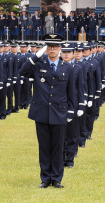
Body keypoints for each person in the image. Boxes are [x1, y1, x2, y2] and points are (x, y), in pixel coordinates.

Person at [19, 34, 75, 188]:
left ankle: (56, 178)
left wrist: (71, 112)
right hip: (41, 111)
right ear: (46, 48)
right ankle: (45, 178)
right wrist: (36, 55)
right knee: (44, 146)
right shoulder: (38, 64)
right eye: (49, 47)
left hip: (60, 112)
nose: (52, 50)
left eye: (55, 47)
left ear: (60, 49)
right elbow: (22, 71)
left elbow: (71, 92)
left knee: (58, 147)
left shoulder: (68, 68)